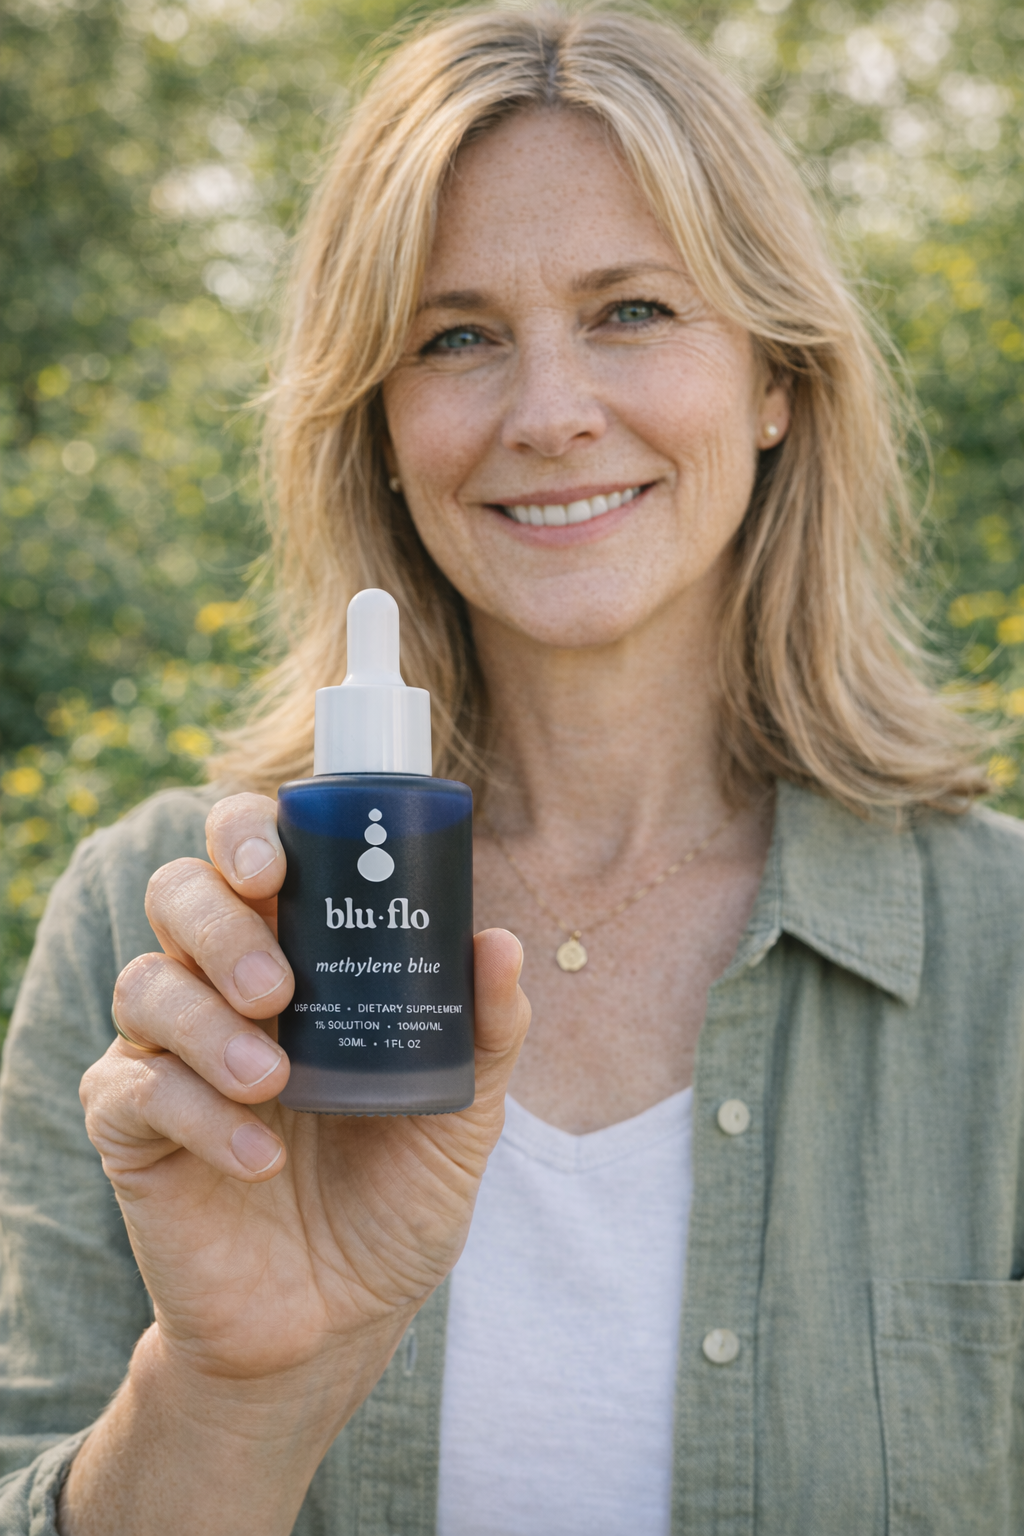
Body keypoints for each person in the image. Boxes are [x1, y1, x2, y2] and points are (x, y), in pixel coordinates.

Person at [2, 6, 1023, 1533]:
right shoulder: (173, 944)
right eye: (457, 337)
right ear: (382, 425)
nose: (550, 415)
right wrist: (228, 1394)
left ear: (776, 380)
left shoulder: (1006, 959)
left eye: (633, 312)